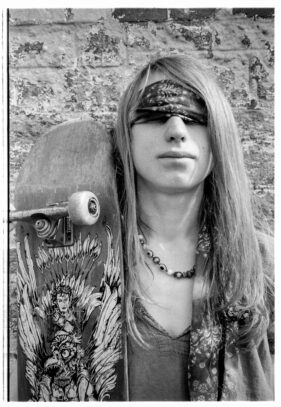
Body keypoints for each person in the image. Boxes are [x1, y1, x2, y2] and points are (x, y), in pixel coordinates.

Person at [113, 54, 274, 401]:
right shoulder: (83, 265)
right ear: (126, 134)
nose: (176, 130)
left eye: (195, 116)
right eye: (155, 113)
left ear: (219, 132)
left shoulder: (264, 264)